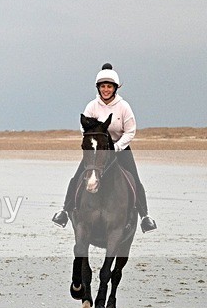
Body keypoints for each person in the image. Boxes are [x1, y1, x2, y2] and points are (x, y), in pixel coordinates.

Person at [52, 64, 157, 233]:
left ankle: (145, 217)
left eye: (109, 86)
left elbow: (130, 131)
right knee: (77, 177)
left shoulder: (124, 107)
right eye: (103, 86)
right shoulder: (92, 106)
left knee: (135, 180)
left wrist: (116, 147)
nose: (106, 90)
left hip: (119, 148)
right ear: (98, 88)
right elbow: (85, 129)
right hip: (97, 151)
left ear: (115, 88)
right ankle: (64, 210)